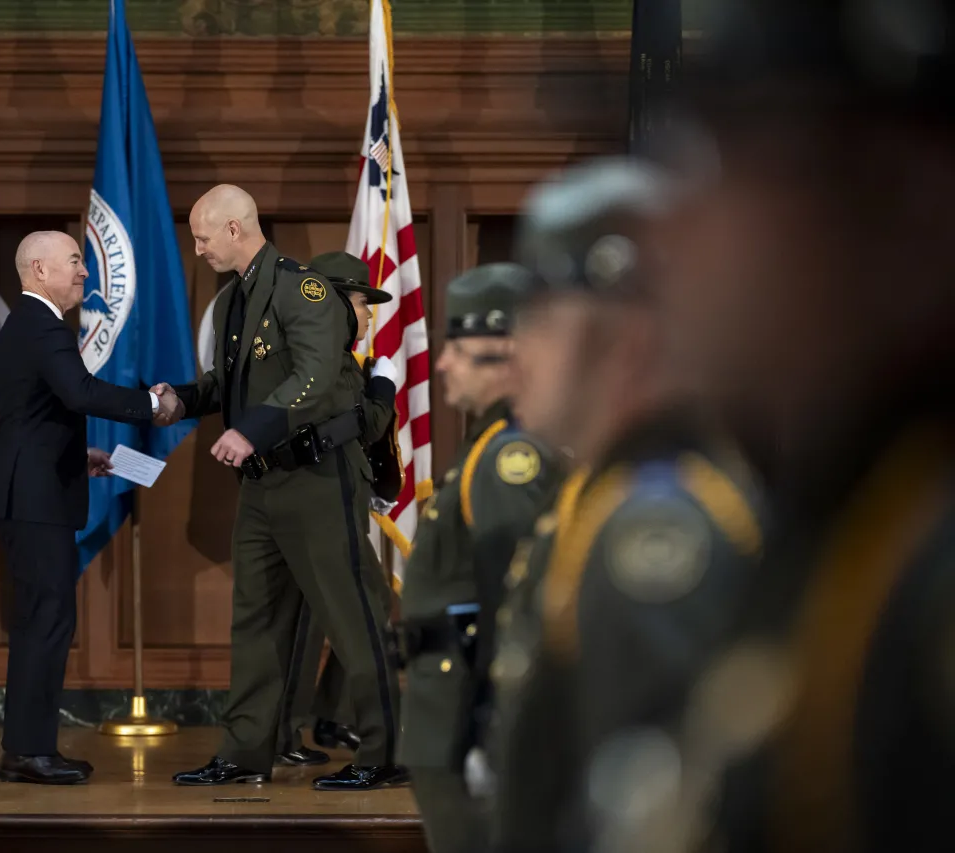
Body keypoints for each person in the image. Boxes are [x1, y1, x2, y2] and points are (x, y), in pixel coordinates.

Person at [638, 1, 955, 850]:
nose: (671, 228)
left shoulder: (927, 575)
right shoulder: (850, 511)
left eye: (732, 165)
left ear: (909, 199)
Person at [485, 158, 766, 853]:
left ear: (629, 339)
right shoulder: (605, 498)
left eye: (541, 320)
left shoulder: (658, 531)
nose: (513, 355)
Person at [154, 184, 406, 791]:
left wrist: (252, 430)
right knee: (257, 623)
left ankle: (386, 753)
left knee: (354, 618)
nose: (198, 248)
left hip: (318, 481)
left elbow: (315, 377)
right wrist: (180, 400)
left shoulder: (304, 289)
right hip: (265, 487)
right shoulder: (241, 294)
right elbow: (230, 381)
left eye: (203, 236)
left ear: (236, 229)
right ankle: (245, 754)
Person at [0, 230, 180, 785]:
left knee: (41, 621)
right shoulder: (43, 326)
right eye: (74, 262)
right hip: (33, 499)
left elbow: (34, 415)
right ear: (39, 270)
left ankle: (25, 748)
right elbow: (81, 393)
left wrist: (77, 451)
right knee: (47, 621)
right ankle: (28, 751)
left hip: (30, 492)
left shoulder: (32, 325)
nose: (85, 272)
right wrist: (149, 404)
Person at [393, 262, 562, 853]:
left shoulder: (509, 458)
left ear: (506, 354)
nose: (442, 364)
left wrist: (491, 726)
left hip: (464, 710)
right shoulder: (487, 447)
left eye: (459, 350)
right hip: (447, 705)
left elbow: (513, 601)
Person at [274, 250, 398, 767]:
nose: (369, 315)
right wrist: (384, 390)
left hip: (338, 497)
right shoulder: (317, 358)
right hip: (312, 500)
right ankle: (282, 733)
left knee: (370, 602)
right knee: (305, 620)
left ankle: (328, 712)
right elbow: (359, 422)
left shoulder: (343, 358)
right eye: (361, 302)